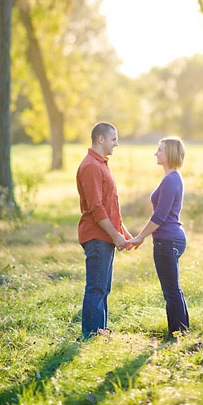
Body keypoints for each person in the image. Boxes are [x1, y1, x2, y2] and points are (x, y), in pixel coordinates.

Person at [128, 136, 190, 337]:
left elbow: (160, 216)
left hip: (167, 241)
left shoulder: (171, 180)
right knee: (173, 290)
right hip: (170, 240)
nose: (156, 153)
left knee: (171, 291)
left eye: (160, 150)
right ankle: (181, 331)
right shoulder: (172, 178)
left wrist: (140, 237)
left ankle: (178, 333)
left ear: (170, 153)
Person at [76, 122, 133, 339]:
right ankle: (92, 334)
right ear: (100, 139)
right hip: (96, 236)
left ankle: (101, 330)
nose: (116, 144)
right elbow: (96, 208)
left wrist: (123, 233)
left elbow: (110, 205)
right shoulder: (91, 166)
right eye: (113, 139)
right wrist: (114, 234)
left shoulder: (101, 164)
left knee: (104, 287)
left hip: (106, 236)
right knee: (96, 287)